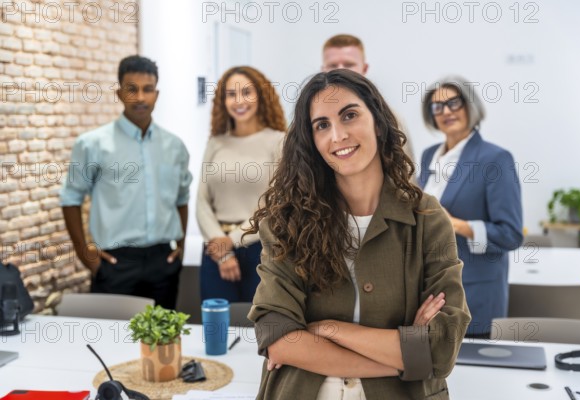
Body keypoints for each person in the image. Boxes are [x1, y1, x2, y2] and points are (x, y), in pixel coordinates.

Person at [246, 69, 471, 399]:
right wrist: (406, 358)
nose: (337, 135)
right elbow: (278, 338)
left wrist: (329, 330)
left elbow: (441, 346)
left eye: (349, 115)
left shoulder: (427, 217)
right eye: (322, 125)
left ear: (378, 122)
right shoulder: (287, 222)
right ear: (312, 141)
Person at [60, 55, 192, 309]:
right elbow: (70, 199)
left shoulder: (174, 146)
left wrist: (182, 246)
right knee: (112, 344)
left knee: (162, 342)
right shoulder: (93, 144)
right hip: (114, 264)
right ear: (119, 93)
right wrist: (87, 255)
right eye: (132, 89)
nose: (140, 97)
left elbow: (182, 199)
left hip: (163, 262)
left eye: (147, 89)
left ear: (157, 94)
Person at [418, 76, 523, 338]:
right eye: (437, 107)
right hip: (430, 288)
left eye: (454, 103)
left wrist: (455, 224)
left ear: (470, 106)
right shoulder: (429, 155)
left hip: (474, 290)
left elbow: (510, 234)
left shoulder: (495, 159)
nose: (446, 112)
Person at [196, 66, 286, 303]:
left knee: (259, 331)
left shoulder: (278, 142)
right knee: (217, 329)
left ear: (261, 95)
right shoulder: (215, 143)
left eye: (246, 92)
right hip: (215, 251)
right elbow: (202, 201)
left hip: (261, 248)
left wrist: (233, 240)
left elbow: (276, 203)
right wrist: (221, 249)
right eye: (231, 94)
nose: (239, 101)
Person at [321, 34, 414, 161]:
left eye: (349, 64)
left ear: (364, 69)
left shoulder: (392, 119)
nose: (340, 71)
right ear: (322, 70)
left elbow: (405, 172)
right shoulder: (307, 120)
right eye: (333, 65)